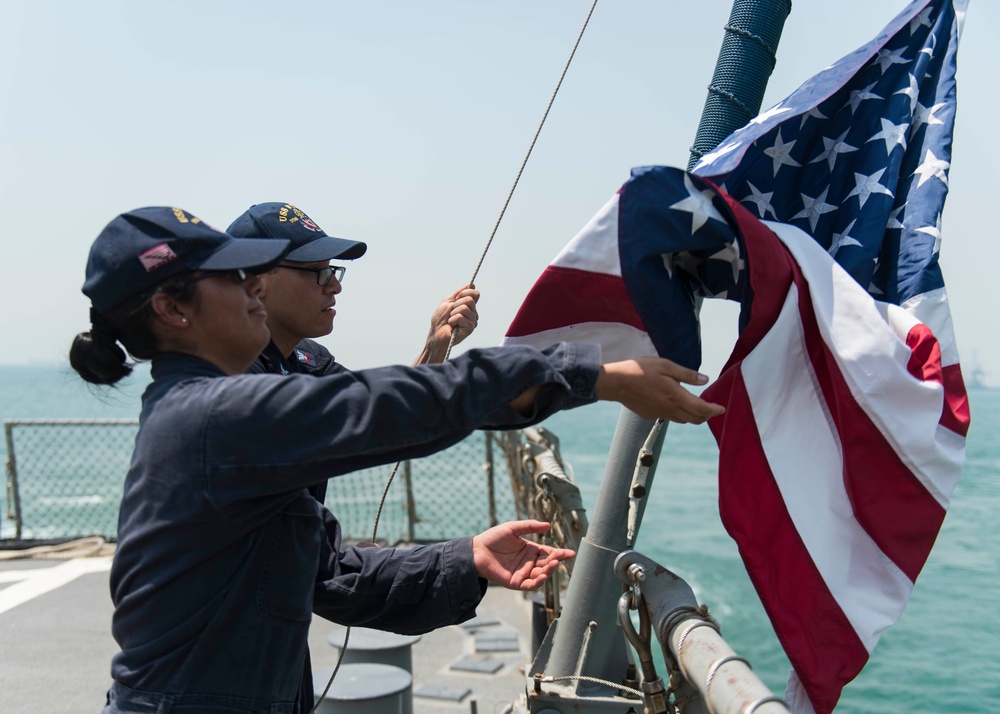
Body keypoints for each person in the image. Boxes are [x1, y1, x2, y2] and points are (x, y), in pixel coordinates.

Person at [71, 206, 725, 713]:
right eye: (231, 276)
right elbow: (388, 406)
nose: (252, 291)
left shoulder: (211, 414)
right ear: (171, 308)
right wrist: (589, 375)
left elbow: (326, 572)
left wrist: (464, 561)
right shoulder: (211, 418)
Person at [225, 201, 480, 377]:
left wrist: (435, 346)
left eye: (333, 271)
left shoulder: (308, 358)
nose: (335, 287)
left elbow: (383, 415)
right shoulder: (228, 370)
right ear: (255, 282)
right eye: (318, 272)